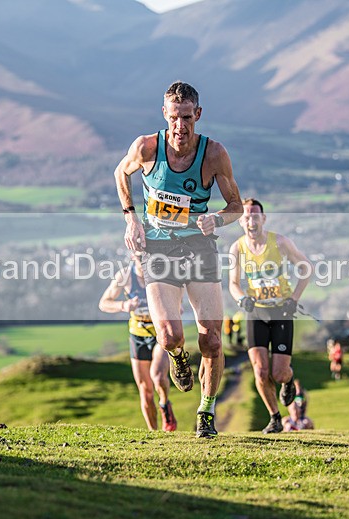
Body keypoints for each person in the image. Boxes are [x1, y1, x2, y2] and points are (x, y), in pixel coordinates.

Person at [114, 81, 242, 438]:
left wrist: (216, 218)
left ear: (197, 115)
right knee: (169, 336)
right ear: (164, 115)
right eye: (174, 117)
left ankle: (206, 412)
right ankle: (177, 358)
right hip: (158, 248)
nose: (180, 126)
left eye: (187, 117)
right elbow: (120, 173)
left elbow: (237, 205)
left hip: (199, 247)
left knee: (213, 340)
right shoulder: (146, 148)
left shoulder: (214, 154)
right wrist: (130, 217)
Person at [228, 198, 313, 434]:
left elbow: (306, 268)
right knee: (260, 370)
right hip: (256, 311)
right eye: (246, 216)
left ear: (263, 219)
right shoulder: (237, 248)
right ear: (241, 222)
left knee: (278, 372)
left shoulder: (281, 242)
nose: (251, 220)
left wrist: (293, 299)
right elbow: (233, 284)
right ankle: (275, 417)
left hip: (281, 311)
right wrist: (241, 298)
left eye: (255, 216)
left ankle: (288, 380)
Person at [99, 257, 177, 432]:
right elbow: (104, 303)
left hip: (159, 334)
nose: (143, 260)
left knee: (157, 376)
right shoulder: (125, 276)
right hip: (138, 335)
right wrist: (124, 305)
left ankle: (165, 404)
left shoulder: (161, 274)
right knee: (145, 390)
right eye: (139, 257)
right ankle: (153, 433)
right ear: (133, 256)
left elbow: (178, 302)